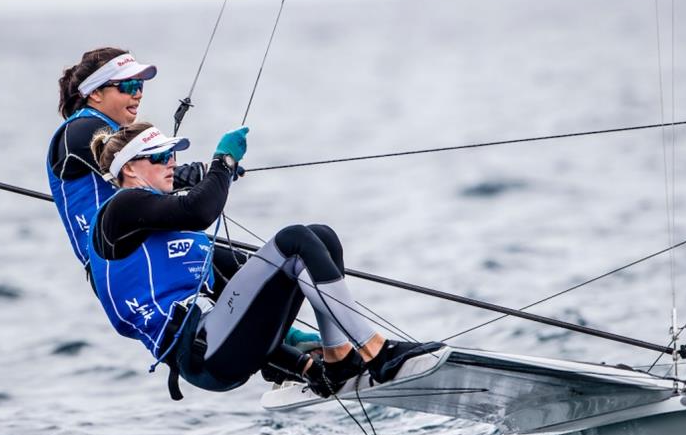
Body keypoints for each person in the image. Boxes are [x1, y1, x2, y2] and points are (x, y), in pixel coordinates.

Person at [86, 121, 442, 399]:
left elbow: (250, 302)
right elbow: (199, 210)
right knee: (294, 240)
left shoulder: (173, 235)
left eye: (172, 156)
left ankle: (339, 360)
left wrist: (300, 364)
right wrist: (222, 163)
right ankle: (379, 354)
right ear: (130, 169)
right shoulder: (120, 208)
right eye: (160, 158)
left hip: (223, 345)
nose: (171, 164)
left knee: (321, 237)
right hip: (203, 356)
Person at [46, 47, 205, 274]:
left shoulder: (110, 131)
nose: (138, 93)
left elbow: (149, 174)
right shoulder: (82, 130)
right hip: (121, 263)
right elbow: (141, 174)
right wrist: (205, 172)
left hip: (147, 246)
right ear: (95, 93)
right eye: (128, 86)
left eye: (140, 86)